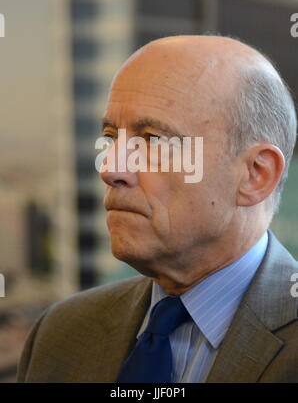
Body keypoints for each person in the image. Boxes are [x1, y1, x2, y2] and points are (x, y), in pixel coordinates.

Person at [17, 35, 298, 383]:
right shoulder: (61, 332)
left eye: (152, 140)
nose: (110, 168)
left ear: (256, 174)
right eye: (110, 137)